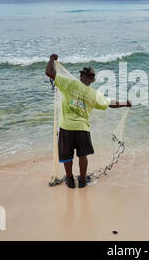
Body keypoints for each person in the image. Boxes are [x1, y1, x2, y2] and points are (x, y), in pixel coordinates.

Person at [45, 54, 132, 188]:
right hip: (82, 128)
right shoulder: (94, 94)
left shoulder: (69, 83)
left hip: (66, 127)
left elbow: (49, 72)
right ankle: (83, 180)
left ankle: (69, 180)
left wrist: (52, 59)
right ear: (92, 80)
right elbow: (110, 103)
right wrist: (125, 103)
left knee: (67, 156)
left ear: (81, 76)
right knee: (82, 155)